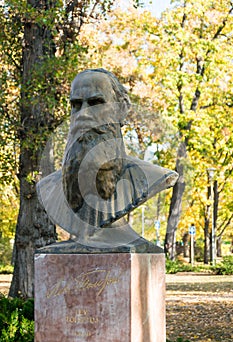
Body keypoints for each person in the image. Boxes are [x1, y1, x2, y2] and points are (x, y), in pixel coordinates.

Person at [37, 68, 178, 251]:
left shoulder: (152, 176)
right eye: (76, 105)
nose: (83, 114)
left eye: (96, 102)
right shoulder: (48, 187)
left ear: (121, 109)